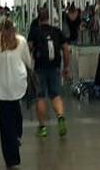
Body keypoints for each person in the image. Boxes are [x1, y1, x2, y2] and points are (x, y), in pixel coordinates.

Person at [0, 19, 32, 168]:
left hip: (1, 88)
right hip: (17, 85)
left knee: (5, 126)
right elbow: (28, 61)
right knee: (16, 115)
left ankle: (11, 160)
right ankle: (18, 136)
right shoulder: (21, 41)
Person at [28, 8, 70, 138]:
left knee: (40, 97)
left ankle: (42, 128)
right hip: (55, 67)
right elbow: (66, 49)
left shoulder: (34, 32)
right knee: (56, 95)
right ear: (48, 18)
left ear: (38, 19)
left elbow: (28, 49)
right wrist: (66, 66)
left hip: (40, 67)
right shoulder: (56, 31)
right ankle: (61, 117)